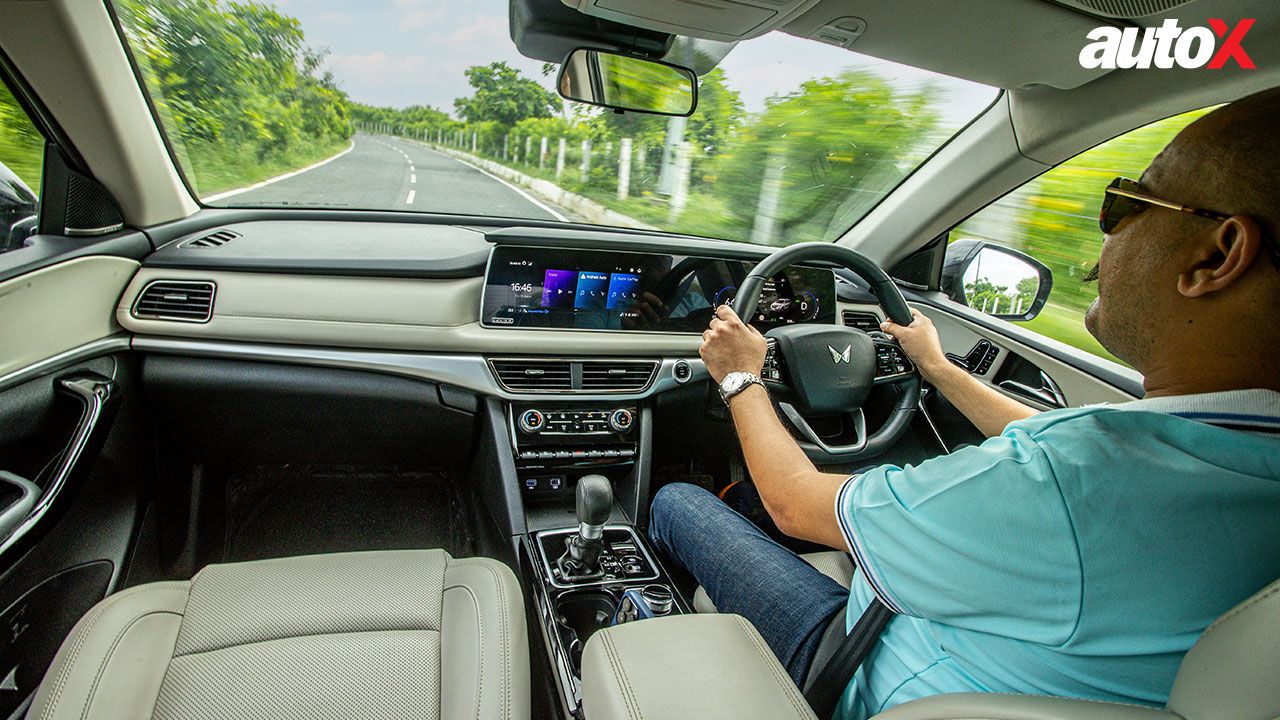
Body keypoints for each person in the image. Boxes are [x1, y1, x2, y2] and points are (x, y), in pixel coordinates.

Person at [648, 87, 1280, 720]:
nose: (1104, 227)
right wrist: (935, 365)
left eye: (1125, 202)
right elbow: (1065, 439)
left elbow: (795, 506)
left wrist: (739, 377)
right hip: (1031, 661)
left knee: (678, 501)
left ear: (1216, 255)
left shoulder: (1072, 480)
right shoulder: (1215, 457)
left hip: (858, 665)